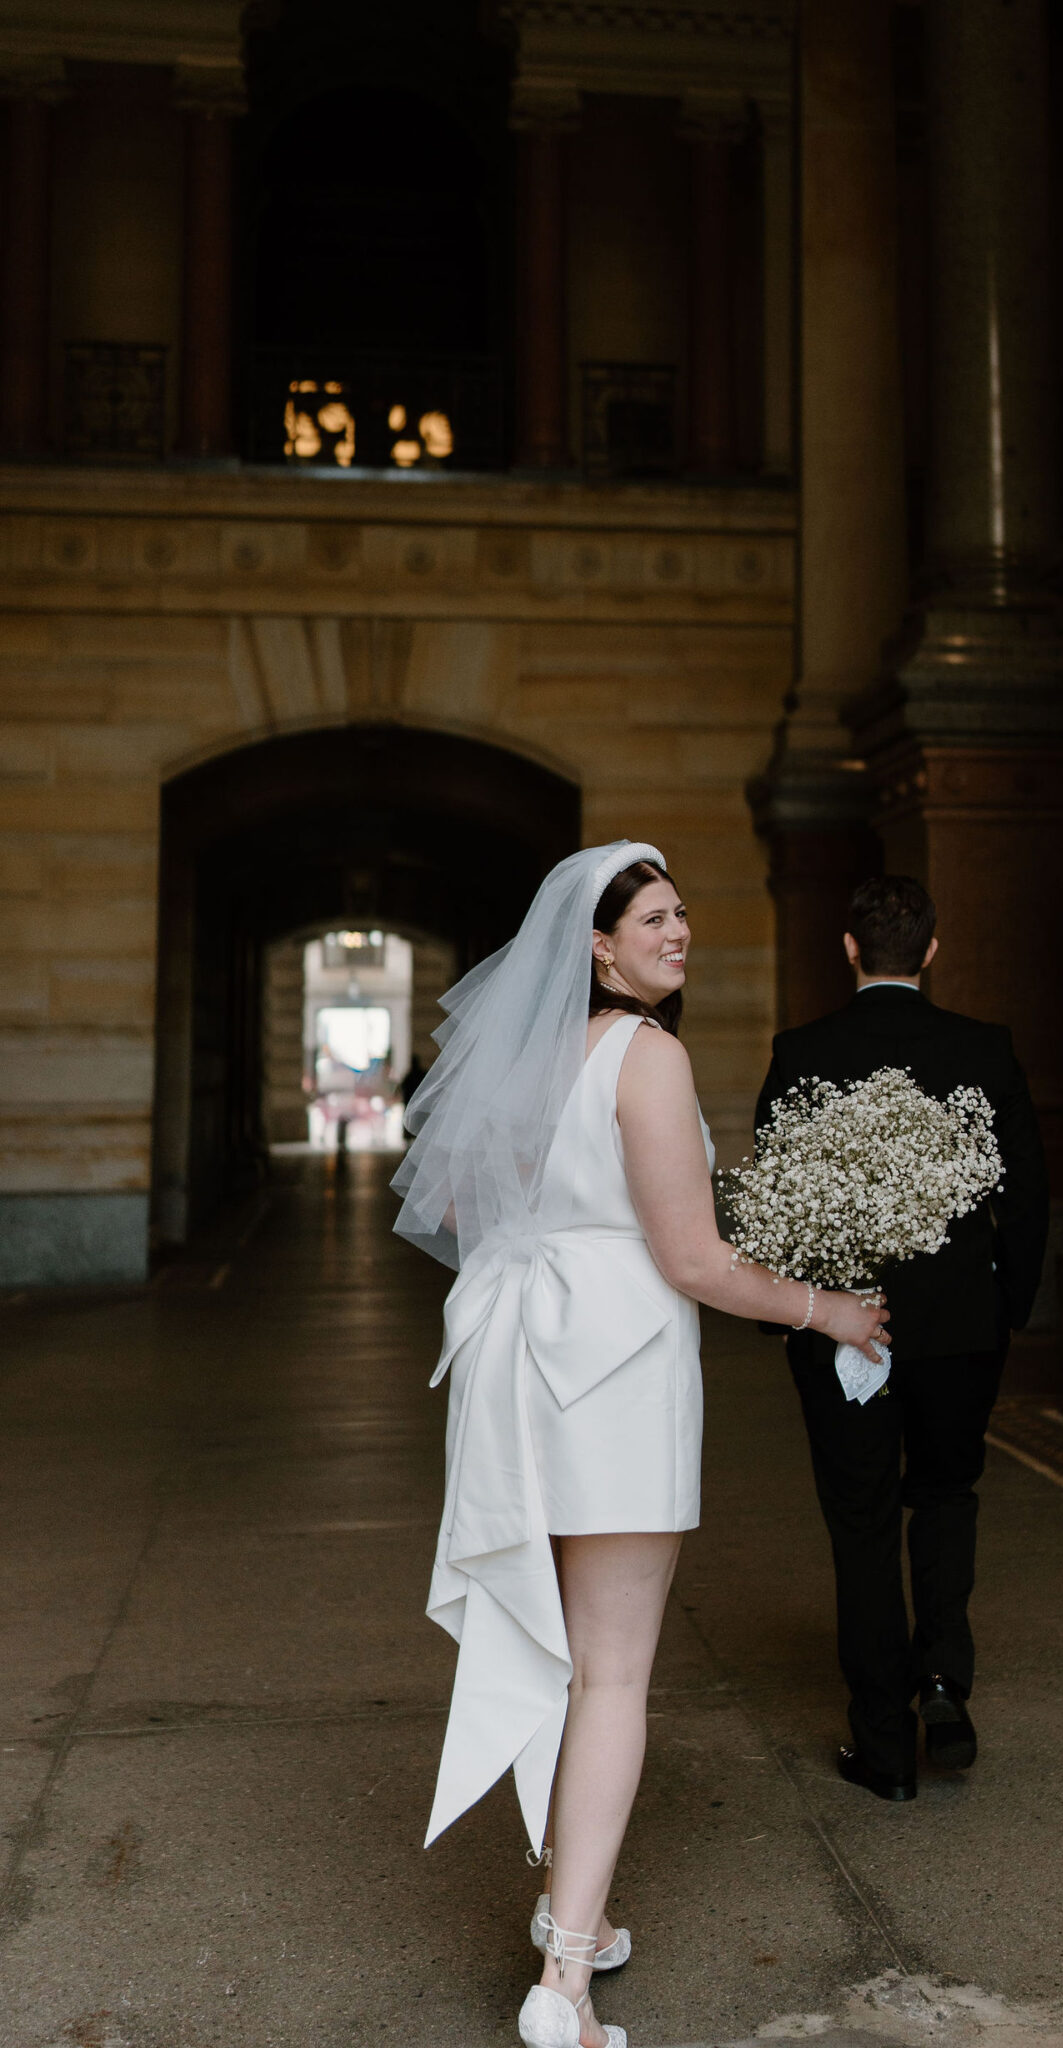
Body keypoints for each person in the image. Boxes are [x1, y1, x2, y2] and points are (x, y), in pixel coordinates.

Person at [394, 844, 887, 2048]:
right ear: (599, 945)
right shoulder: (647, 1058)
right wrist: (833, 1308)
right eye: (655, 917)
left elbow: (471, 1210)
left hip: (526, 1372)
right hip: (614, 1376)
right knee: (612, 1672)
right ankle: (563, 1981)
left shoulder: (524, 1058)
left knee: (568, 1663)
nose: (680, 932)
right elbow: (696, 1260)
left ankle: (585, 1909)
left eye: (683, 913)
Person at [755, 873, 1050, 1804]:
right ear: (930, 950)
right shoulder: (983, 1049)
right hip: (961, 1328)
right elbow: (1028, 1195)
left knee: (862, 1522)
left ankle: (882, 1745)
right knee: (947, 1492)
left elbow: (775, 1204)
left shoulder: (804, 1050)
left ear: (847, 950)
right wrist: (1011, 1310)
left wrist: (798, 1318)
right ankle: (941, 1677)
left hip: (846, 1332)